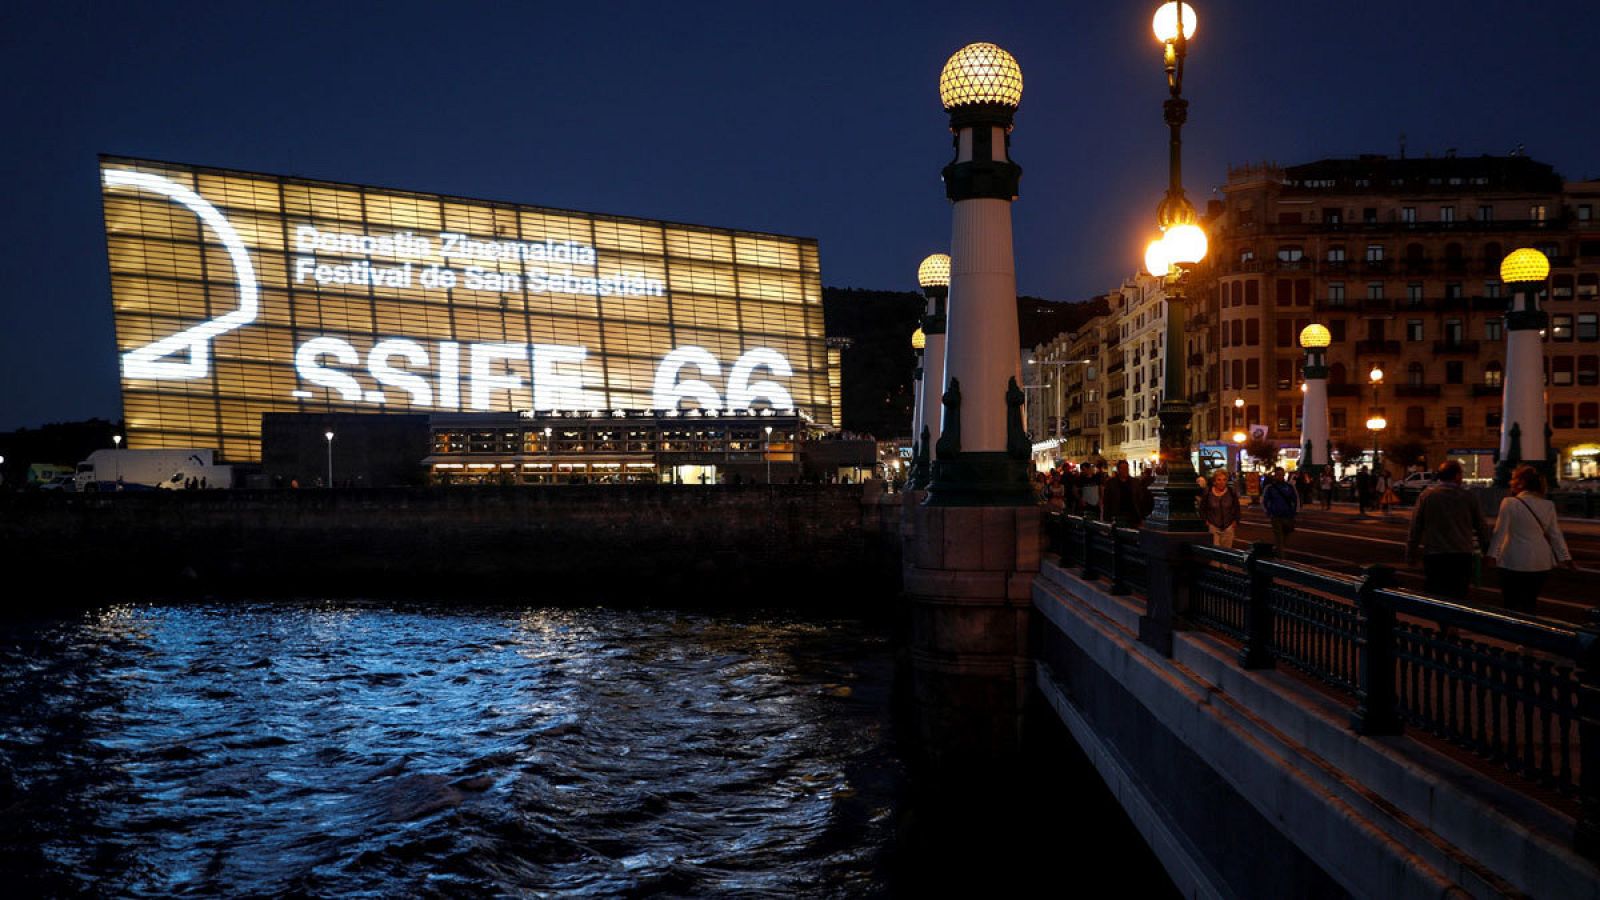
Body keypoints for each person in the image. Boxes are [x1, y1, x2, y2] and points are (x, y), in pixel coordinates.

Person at [1486, 465, 1574, 615]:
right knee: (1530, 601)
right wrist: (1566, 558)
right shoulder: (1548, 505)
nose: (1510, 482)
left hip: (1513, 560)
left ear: (1521, 483)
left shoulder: (1509, 502)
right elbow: (1555, 534)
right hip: (1540, 561)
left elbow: (1499, 532)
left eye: (1513, 479)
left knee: (1511, 602)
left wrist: (1491, 555)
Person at [1405, 460, 1489, 603]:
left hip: (1435, 555)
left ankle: (1441, 617)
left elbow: (1416, 527)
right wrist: (1486, 551)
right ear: (1457, 476)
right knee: (1458, 596)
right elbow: (1481, 527)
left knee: (1436, 596)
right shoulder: (1468, 497)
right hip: (1461, 555)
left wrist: (1411, 553)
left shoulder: (1427, 496)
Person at [1199, 469, 1242, 549]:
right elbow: (1202, 508)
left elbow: (1237, 508)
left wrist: (1236, 521)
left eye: (1224, 480)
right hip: (1213, 526)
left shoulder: (1231, 492)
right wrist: (1206, 521)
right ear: (1214, 481)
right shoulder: (1208, 493)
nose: (1222, 482)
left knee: (1227, 551)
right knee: (1215, 551)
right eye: (1219, 480)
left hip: (1228, 527)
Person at [1261, 466, 1300, 552]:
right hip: (1276, 516)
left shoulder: (1289, 486)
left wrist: (1296, 511)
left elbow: (1296, 499)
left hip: (1288, 516)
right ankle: (1280, 556)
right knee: (1279, 537)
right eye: (1278, 474)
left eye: (1281, 474)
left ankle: (1278, 549)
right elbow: (1264, 500)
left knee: (1287, 533)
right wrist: (1268, 512)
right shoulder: (1270, 487)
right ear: (1275, 475)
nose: (1280, 476)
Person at [1101, 460, 1142, 527]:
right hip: (1117, 515)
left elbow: (1140, 499)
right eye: (1122, 468)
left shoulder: (1135, 482)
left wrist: (1141, 516)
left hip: (1133, 515)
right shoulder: (1111, 483)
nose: (1125, 470)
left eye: (1126, 468)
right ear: (1118, 470)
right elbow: (1106, 501)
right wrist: (1106, 519)